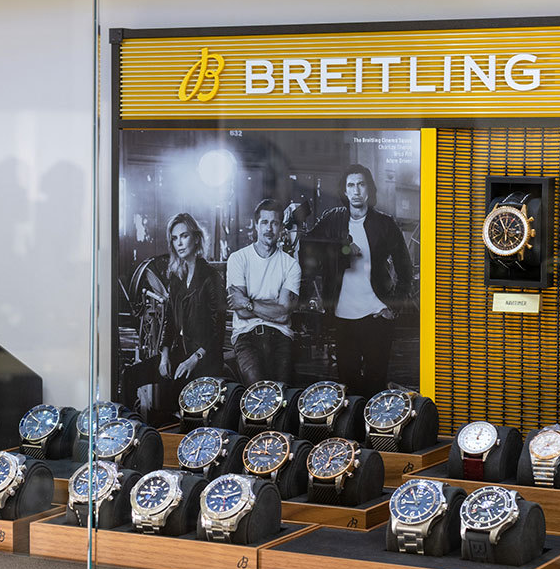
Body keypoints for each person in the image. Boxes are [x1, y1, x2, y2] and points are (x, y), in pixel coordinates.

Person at [292, 164, 414, 399]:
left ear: (369, 189)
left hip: (377, 315)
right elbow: (309, 250)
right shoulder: (332, 219)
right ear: (345, 191)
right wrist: (344, 248)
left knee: (375, 387)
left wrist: (392, 307)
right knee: (348, 387)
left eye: (361, 184)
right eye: (351, 185)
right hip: (342, 317)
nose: (356, 191)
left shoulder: (384, 224)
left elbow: (405, 270)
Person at [137, 212, 226, 420]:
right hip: (179, 355)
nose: (179, 243)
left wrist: (195, 358)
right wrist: (164, 355)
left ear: (196, 239)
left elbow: (218, 331)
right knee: (132, 376)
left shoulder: (211, 277)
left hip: (205, 359)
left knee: (183, 411)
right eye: (175, 238)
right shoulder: (176, 278)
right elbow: (169, 321)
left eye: (184, 236)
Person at [226, 199, 301, 385]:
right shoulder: (238, 259)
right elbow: (241, 313)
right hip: (246, 335)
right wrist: (273, 306)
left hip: (281, 335)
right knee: (257, 391)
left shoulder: (291, 265)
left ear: (281, 227)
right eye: (264, 222)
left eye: (274, 223)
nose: (269, 228)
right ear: (256, 225)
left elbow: (283, 315)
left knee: (281, 391)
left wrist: (248, 302)